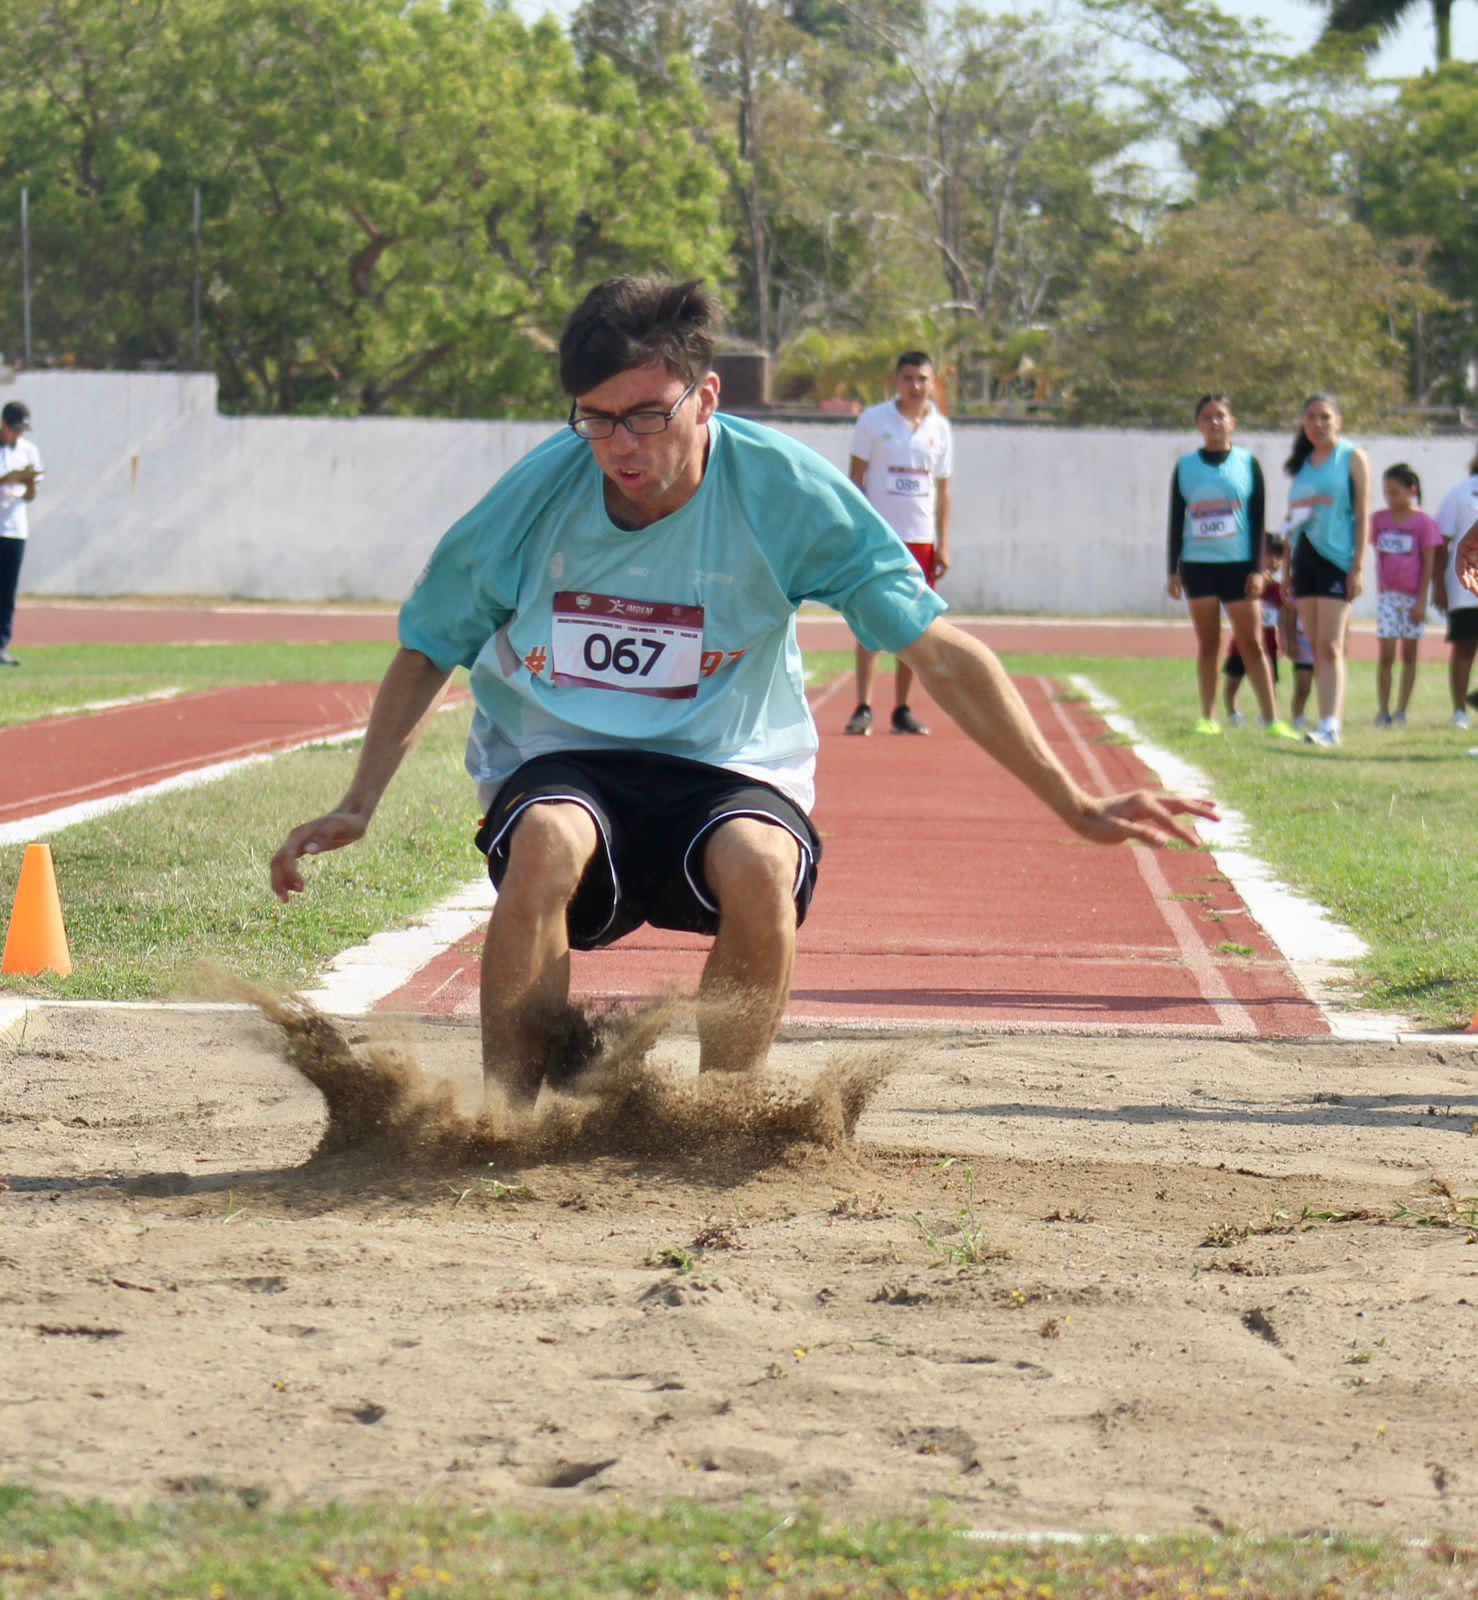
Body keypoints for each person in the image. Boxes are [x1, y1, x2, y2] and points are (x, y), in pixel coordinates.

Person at [269, 276, 1215, 1108]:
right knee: (549, 840)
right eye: (594, 418)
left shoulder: (785, 494)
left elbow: (939, 650)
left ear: (705, 395)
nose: (618, 446)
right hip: (560, 757)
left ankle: (721, 1118)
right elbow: (430, 645)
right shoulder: (535, 496)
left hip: (728, 761)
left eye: (646, 415)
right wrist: (358, 803)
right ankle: (503, 1124)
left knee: (761, 865)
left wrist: (1075, 801)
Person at [1166, 394, 1295, 739]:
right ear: (1198, 424)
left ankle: (1272, 718)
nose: (1214, 422)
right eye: (1207, 417)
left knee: (1252, 643)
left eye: (1221, 416)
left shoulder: (1247, 464)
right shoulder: (1186, 467)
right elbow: (1177, 519)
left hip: (1239, 566)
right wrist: (1173, 569)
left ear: (1232, 422)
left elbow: (1257, 518)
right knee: (1208, 644)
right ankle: (1208, 716)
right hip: (1199, 565)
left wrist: (1257, 569)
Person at [842, 352, 952, 737]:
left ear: (933, 382)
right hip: (880, 539)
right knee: (869, 623)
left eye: (922, 378)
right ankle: (863, 706)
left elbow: (943, 489)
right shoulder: (873, 421)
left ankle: (902, 708)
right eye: (908, 378)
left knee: (914, 627)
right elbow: (855, 478)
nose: (916, 386)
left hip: (921, 540)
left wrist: (943, 543)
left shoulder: (940, 428)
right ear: (897, 381)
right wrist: (857, 532)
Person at [1280, 393, 1370, 748]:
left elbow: (1362, 513)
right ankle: (1323, 722)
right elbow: (1294, 522)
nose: (1318, 424)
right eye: (1311, 418)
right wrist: (1286, 569)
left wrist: (1358, 566)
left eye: (1325, 417)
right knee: (1316, 646)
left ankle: (1332, 724)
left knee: (1331, 644)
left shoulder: (1352, 457)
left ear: (1338, 421)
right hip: (1305, 560)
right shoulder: (1302, 465)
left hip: (1338, 559)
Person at [1369, 463, 1442, 729]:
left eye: (1395, 492)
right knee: (1386, 653)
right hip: (1388, 596)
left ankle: (1401, 710)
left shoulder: (1424, 523)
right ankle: (1383, 710)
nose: (1390, 498)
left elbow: (1429, 564)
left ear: (1412, 490)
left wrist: (1422, 601)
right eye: (1386, 493)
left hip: (1413, 598)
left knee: (1409, 655)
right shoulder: (1379, 520)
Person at [1432, 448, 1478, 729]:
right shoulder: (1459, 493)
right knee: (1464, 647)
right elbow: (1442, 542)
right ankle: (1460, 711)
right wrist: (1438, 585)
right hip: (1465, 588)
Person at [1220, 535, 1286, 727]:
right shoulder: (1248, 586)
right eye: (1268, 555)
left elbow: (1284, 617)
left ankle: (1269, 715)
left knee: (1270, 683)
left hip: (1268, 645)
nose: (1273, 561)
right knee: (1233, 681)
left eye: (1278, 557)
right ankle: (1233, 713)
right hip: (1242, 643)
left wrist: (1286, 640)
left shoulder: (1278, 590)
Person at [0, 400, 43, 668]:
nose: (17, 435)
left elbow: (31, 495)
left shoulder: (29, 451)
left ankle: (1, 645)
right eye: (14, 429)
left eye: (21, 430)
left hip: (15, 529)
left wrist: (27, 483)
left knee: (7, 591)